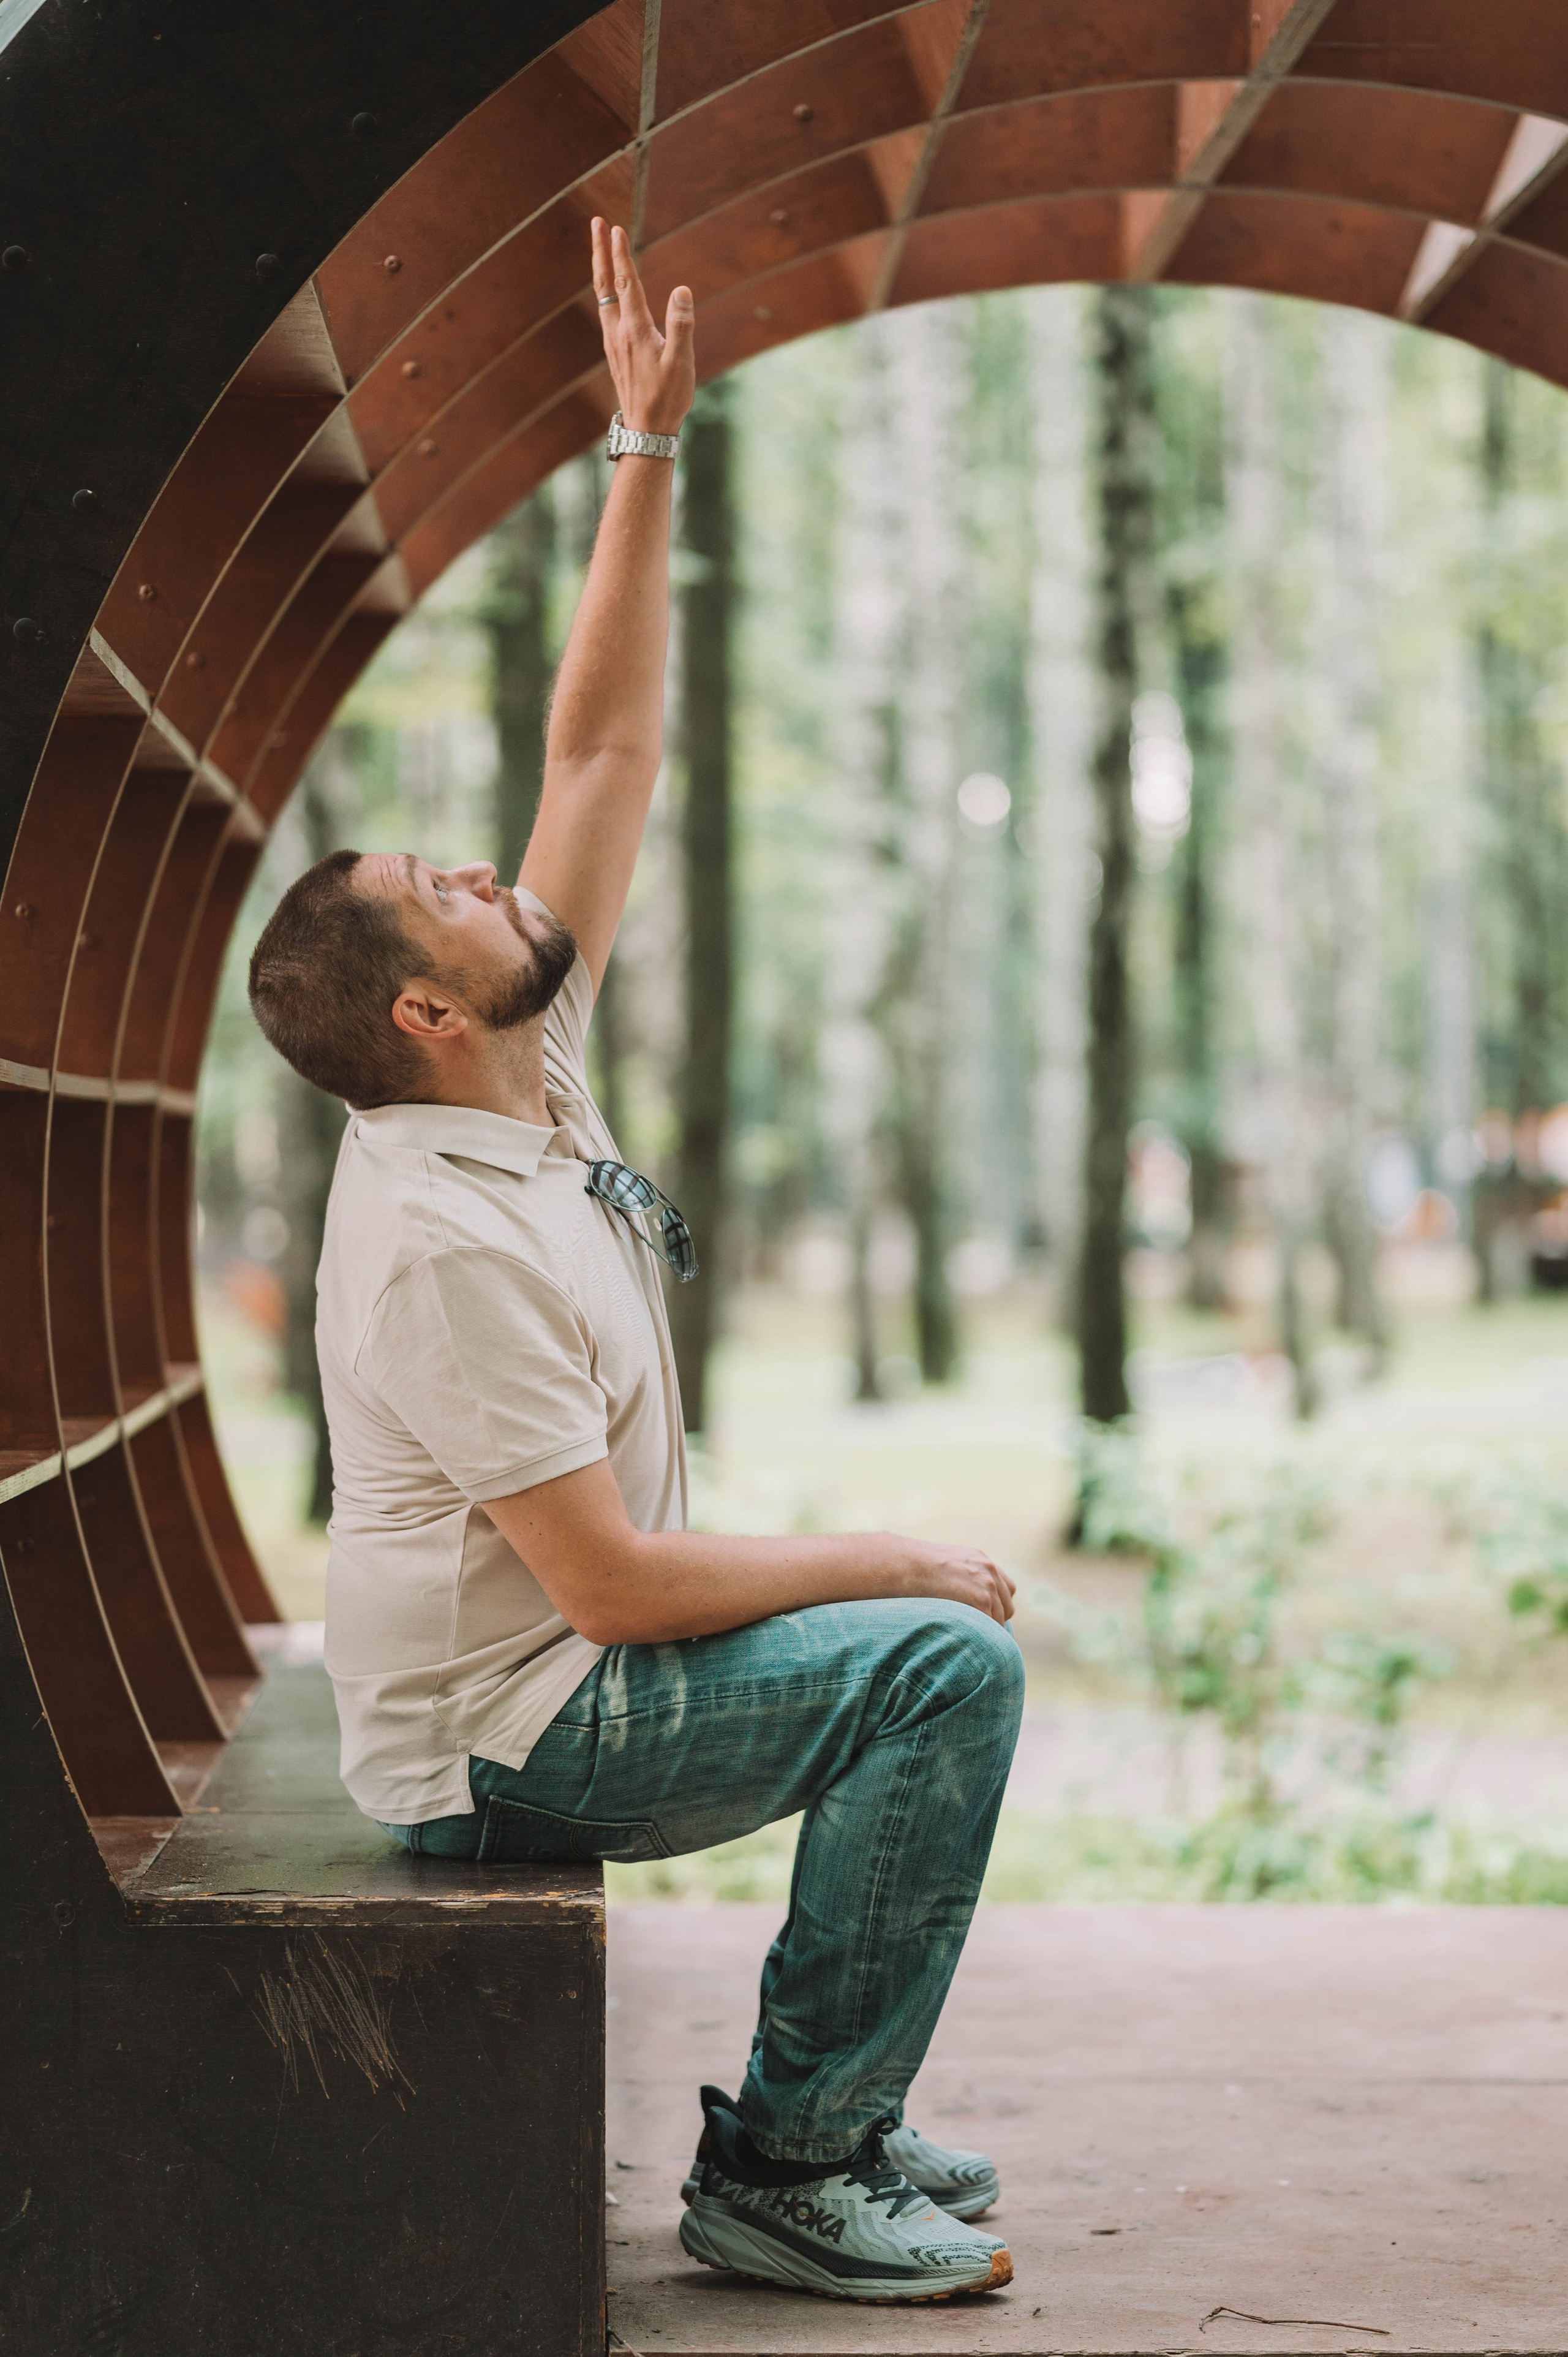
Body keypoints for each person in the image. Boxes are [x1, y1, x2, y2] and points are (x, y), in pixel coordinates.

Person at [247, 219, 1023, 2307]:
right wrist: (885, 1551)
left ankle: (821, 2109)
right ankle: (791, 2158)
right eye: (451, 890)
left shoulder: (517, 1072)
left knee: (925, 1651)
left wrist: (643, 444)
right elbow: (601, 1591)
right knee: (939, 1665)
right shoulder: (435, 1241)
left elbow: (598, 759)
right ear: (425, 1009)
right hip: (506, 1736)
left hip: (554, 1674)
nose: (499, 873)